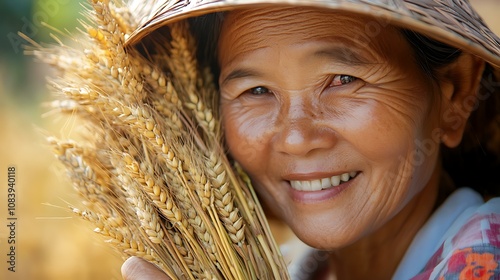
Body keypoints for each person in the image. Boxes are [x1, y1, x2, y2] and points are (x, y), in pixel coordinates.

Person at [121, 0, 500, 279]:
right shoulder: (300, 270)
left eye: (343, 80)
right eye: (256, 90)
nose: (297, 138)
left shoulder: (485, 257)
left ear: (456, 96)